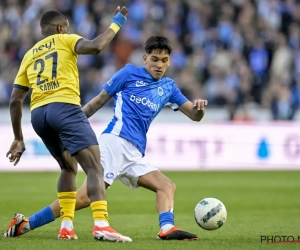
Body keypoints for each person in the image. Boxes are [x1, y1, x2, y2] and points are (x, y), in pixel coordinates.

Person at [3, 36, 207, 241]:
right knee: (83, 198)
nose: (159, 65)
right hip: (114, 142)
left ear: (169, 61)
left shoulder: (169, 87)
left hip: (134, 152)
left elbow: (194, 115)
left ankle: (167, 228)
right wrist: (71, 126)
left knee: (166, 186)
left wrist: (199, 110)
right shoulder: (128, 74)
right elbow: (98, 101)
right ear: (145, 59)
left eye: (164, 60)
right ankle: (26, 223)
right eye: (154, 59)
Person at [3, 8, 132, 242]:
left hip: (39, 115)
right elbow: (95, 46)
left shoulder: (30, 54)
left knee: (68, 168)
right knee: (94, 167)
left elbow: (15, 100)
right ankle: (101, 224)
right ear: (61, 29)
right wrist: (116, 24)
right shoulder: (65, 40)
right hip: (64, 107)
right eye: (68, 29)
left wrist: (18, 137)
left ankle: (66, 226)